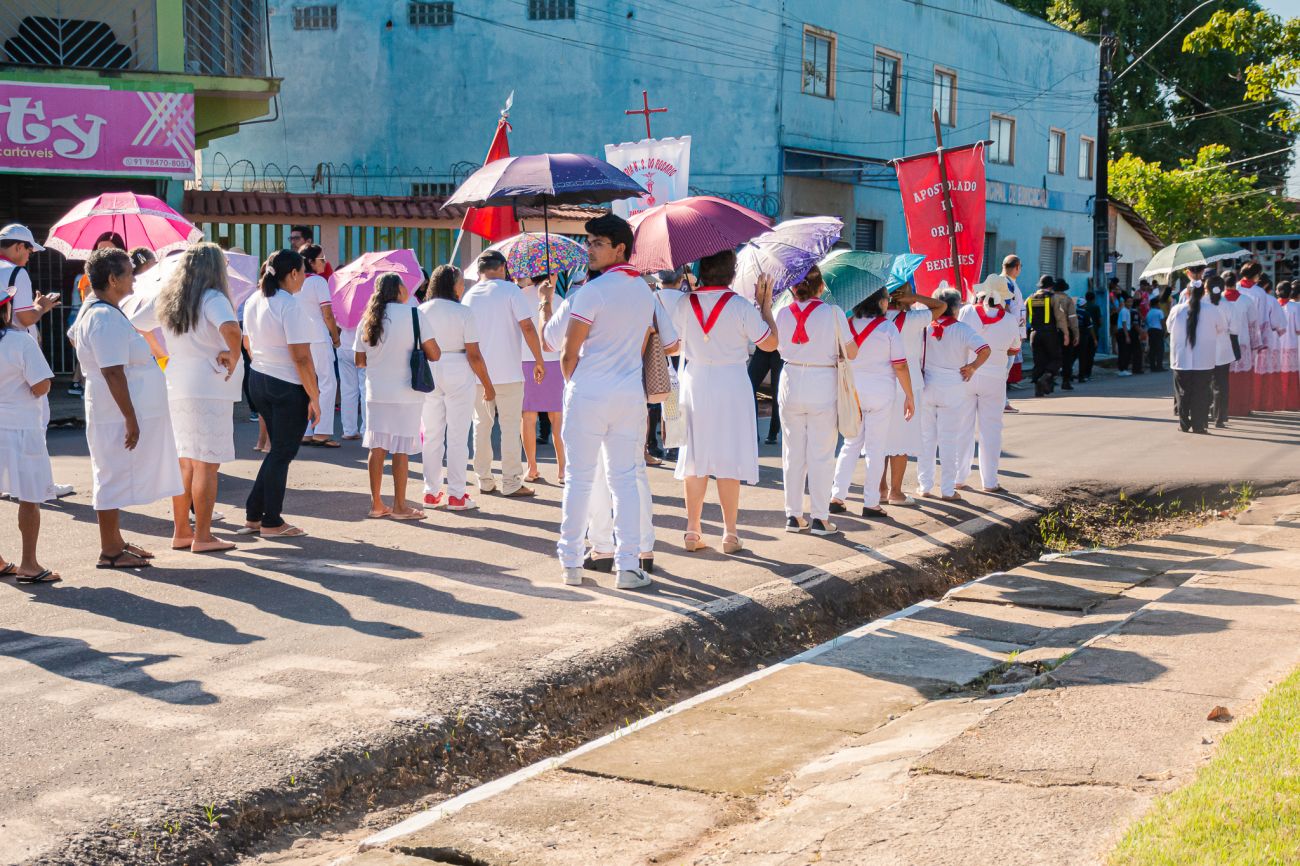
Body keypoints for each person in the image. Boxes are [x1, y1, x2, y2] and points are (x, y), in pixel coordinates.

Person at [555, 213, 658, 588]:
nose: (589, 249)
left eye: (598, 243)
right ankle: (627, 566)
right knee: (624, 481)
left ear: (620, 248)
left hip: (589, 391)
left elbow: (569, 352)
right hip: (628, 395)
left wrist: (576, 385)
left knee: (579, 480)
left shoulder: (592, 291)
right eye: (589, 242)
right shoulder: (644, 291)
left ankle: (571, 563)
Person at [68, 248, 183, 568]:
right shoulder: (102, 316)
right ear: (112, 279)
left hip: (115, 409)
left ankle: (116, 541)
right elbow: (112, 371)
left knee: (116, 472)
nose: (134, 279)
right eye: (129, 274)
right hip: (114, 412)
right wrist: (130, 417)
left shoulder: (102, 310)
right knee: (111, 475)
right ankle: (110, 550)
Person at [671, 248, 778, 554]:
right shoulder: (741, 306)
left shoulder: (683, 302)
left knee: (695, 457)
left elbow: (673, 346)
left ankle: (693, 529)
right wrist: (765, 307)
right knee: (728, 457)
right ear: (732, 272)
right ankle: (730, 533)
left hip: (696, 380)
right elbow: (770, 343)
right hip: (731, 382)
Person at [156, 243, 244, 553]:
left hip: (177, 382)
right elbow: (231, 328)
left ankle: (182, 530)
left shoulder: (172, 300)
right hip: (208, 386)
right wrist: (234, 354)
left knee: (185, 462)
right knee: (207, 463)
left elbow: (143, 327)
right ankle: (203, 536)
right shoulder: (213, 297)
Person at [241, 249, 321, 538]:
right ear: (293, 274)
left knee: (278, 451)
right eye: (303, 272)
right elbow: (301, 357)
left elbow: (247, 343)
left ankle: (255, 514)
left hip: (259, 377)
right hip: (285, 384)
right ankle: (271, 521)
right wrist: (314, 396)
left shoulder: (254, 299)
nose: (305, 278)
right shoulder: (289, 305)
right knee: (283, 453)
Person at [775, 266, 857, 531]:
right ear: (820, 287)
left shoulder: (782, 313)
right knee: (821, 454)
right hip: (822, 383)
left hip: (790, 380)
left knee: (792, 453)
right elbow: (852, 352)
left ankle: (793, 515)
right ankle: (820, 517)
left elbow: (777, 347)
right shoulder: (833, 313)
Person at [354, 272, 439, 520]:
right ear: (399, 290)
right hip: (406, 393)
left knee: (377, 447)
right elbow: (434, 354)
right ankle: (400, 506)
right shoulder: (414, 314)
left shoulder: (368, 319)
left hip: (376, 392)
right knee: (401, 449)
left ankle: (376, 504)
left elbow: (359, 361)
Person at [462, 249, 546, 498]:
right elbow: (527, 326)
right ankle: (511, 482)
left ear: (480, 271)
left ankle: (484, 479)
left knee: (481, 426)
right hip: (509, 372)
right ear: (502, 268)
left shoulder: (469, 295)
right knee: (509, 427)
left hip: (478, 374)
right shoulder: (511, 290)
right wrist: (538, 359)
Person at [829, 285, 915, 519]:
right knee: (875, 449)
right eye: (886, 298)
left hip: (853, 392)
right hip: (881, 393)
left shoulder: (847, 324)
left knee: (850, 445)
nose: (888, 302)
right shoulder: (888, 328)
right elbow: (900, 365)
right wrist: (909, 395)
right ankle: (871, 503)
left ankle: (837, 497)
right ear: (878, 302)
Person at [419, 265, 495, 510]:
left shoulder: (420, 310)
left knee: (432, 435)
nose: (463, 286)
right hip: (458, 368)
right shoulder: (463, 312)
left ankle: (431, 492)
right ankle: (456, 494)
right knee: (457, 436)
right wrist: (488, 384)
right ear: (453, 285)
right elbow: (474, 355)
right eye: (461, 282)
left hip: (429, 368)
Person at [0, 293, 59, 583]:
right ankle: (29, 564)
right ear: (6, 310)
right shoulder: (20, 341)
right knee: (29, 497)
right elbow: (41, 386)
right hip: (21, 426)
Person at [916, 286, 990, 501]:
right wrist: (972, 367)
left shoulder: (924, 328)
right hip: (953, 387)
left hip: (927, 385)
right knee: (948, 440)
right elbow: (985, 350)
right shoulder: (963, 329)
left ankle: (924, 486)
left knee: (926, 439)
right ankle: (948, 490)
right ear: (956, 308)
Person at [877, 286, 944, 506]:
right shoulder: (913, 319)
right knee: (902, 440)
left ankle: (880, 489)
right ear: (902, 295)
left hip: (881, 382)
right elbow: (941, 306)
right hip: (908, 384)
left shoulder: (875, 319)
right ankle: (896, 492)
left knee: (880, 439)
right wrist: (915, 297)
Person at [957, 275, 1021, 493]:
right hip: (994, 379)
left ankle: (958, 478)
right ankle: (990, 482)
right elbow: (1014, 349)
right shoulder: (1010, 320)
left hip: (966, 374)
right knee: (991, 430)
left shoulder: (966, 311)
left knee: (962, 428)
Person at [518, 273, 565, 484]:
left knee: (528, 417)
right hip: (554, 360)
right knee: (558, 418)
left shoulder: (518, 296)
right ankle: (563, 470)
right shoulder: (559, 300)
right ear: (551, 274)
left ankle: (531, 468)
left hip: (525, 359)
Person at [298, 245, 342, 447]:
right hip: (318, 337)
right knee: (327, 383)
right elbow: (328, 315)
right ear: (311, 261)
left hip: (299, 339)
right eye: (321, 259)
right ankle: (322, 431)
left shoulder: (294, 281)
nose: (324, 262)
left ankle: (306, 431)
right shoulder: (318, 281)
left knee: (306, 384)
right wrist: (336, 338)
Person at [1168, 281, 1226, 434]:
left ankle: (1184, 424)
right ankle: (1199, 425)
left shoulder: (1176, 310)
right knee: (1201, 393)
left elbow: (1169, 328)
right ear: (1203, 293)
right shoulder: (1213, 310)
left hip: (1181, 360)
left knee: (1182, 392)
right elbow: (1221, 329)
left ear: (1186, 293)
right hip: (1204, 360)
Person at [1, 224, 59, 338]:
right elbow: (26, 319)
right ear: (20, 247)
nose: (28, 258)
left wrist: (31, 306)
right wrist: (41, 306)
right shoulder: (17, 272)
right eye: (30, 252)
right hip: (9, 344)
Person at [747, 291, 783, 446]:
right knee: (749, 386)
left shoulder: (785, 292)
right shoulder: (760, 297)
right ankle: (752, 432)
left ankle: (773, 432)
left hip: (779, 347)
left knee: (777, 390)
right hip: (763, 345)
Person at [1206, 276, 1237, 428]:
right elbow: (1235, 329)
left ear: (1206, 288)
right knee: (1221, 384)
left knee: (1203, 383)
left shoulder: (1200, 303)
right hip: (1223, 349)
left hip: (1204, 348)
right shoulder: (1228, 305)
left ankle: (1203, 414)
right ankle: (1219, 417)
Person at [1025, 276, 1062, 395]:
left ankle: (1038, 389)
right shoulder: (1053, 298)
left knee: (1039, 361)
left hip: (1034, 333)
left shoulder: (1030, 298)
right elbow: (1060, 318)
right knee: (1056, 358)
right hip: (1049, 333)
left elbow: (1022, 317)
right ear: (1051, 286)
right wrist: (1066, 333)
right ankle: (1046, 377)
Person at [1001, 256, 1026, 404]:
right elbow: (1004, 306)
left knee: (1005, 368)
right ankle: (1002, 401)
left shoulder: (1010, 283)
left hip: (1012, 333)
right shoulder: (1005, 283)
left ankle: (1002, 400)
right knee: (1004, 368)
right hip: (1008, 334)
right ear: (1017, 267)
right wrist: (1011, 329)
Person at [1052, 279, 1079, 390]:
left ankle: (1050, 379)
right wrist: (1076, 334)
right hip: (1065, 332)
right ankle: (1066, 381)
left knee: (1053, 356)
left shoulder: (1050, 298)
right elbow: (1072, 318)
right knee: (1067, 357)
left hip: (1051, 332)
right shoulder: (1068, 300)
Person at [1077, 290, 1101, 382]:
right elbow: (1099, 321)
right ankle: (1087, 373)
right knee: (1090, 355)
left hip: (1081, 334)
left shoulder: (1080, 310)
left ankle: (1081, 373)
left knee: (1082, 354)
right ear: (1094, 298)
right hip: (1092, 333)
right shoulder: (1095, 307)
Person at [1146, 293, 1167, 372]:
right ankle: (1159, 366)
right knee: (1160, 349)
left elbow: (1147, 322)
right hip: (1158, 330)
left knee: (1152, 349)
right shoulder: (1159, 312)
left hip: (1150, 330)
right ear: (1156, 304)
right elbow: (1162, 322)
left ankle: (1153, 366)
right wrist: (1164, 330)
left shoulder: (1149, 312)